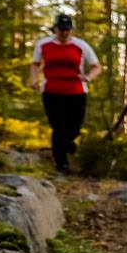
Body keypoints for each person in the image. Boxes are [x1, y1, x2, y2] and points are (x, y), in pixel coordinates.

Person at [30, 14, 101, 174]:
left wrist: (89, 77)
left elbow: (96, 66)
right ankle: (61, 163)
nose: (64, 33)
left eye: (67, 29)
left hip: (76, 91)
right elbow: (35, 64)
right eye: (61, 29)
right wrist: (35, 79)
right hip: (51, 91)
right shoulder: (44, 44)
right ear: (55, 29)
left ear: (71, 30)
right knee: (59, 127)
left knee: (74, 127)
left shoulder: (81, 45)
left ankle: (68, 143)